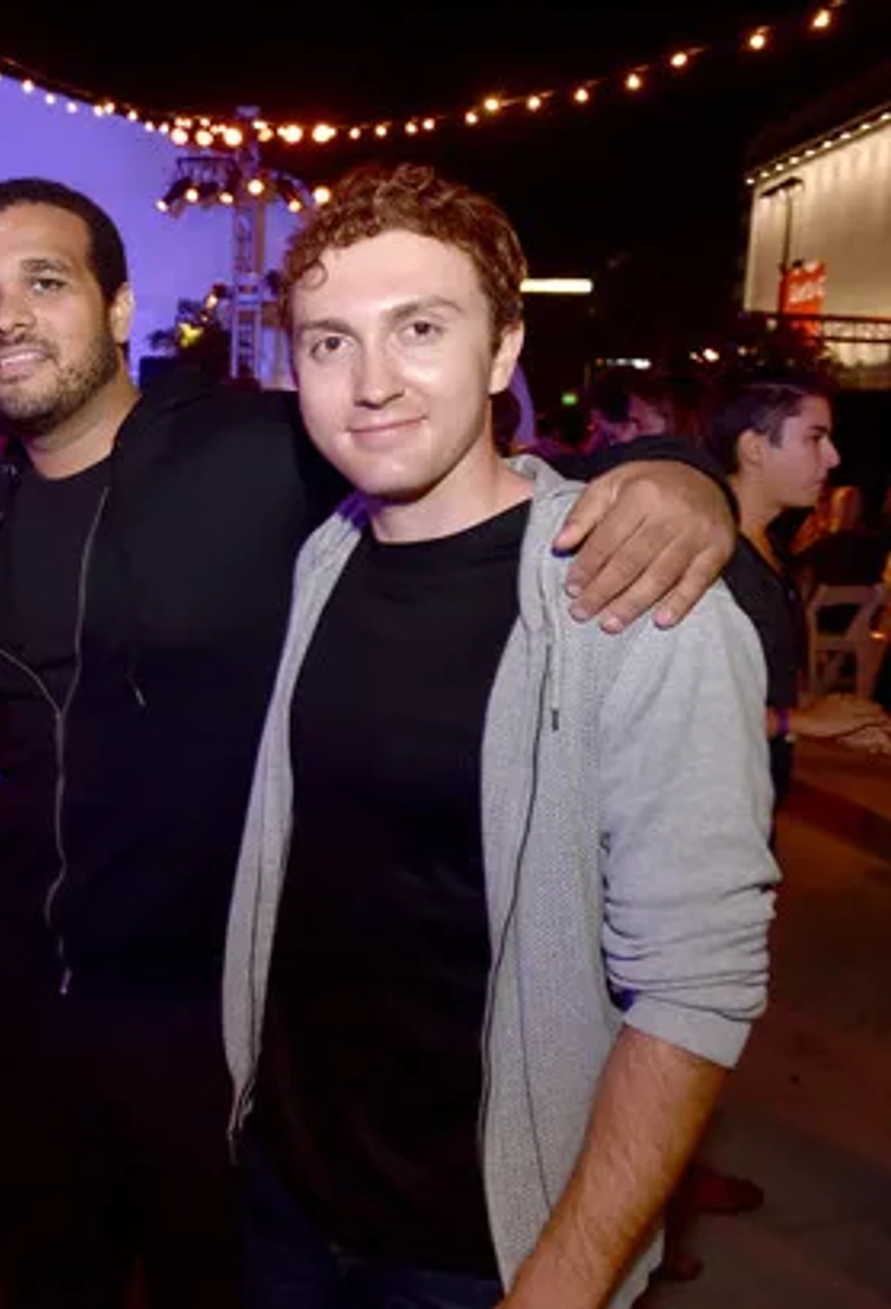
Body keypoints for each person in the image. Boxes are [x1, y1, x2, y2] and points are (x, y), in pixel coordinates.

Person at [0, 176, 735, 1309]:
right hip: (49, 1033)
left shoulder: (265, 454)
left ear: (117, 307)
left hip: (224, 1047)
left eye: (44, 282)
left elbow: (466, 473)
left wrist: (687, 481)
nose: (8, 317)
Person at [221, 161, 778, 1309]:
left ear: (503, 350)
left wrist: (565, 1278)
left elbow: (697, 986)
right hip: (284, 1205)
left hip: (484, 1249)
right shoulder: (323, 558)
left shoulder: (631, 597)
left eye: (418, 327)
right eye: (329, 342)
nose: (371, 381)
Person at [709, 381, 891, 801]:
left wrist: (822, 717)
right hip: (698, 817)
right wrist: (801, 722)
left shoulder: (771, 550)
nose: (833, 457)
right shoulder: (710, 556)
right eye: (815, 438)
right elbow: (682, 711)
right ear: (754, 448)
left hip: (750, 802)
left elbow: (756, 684)